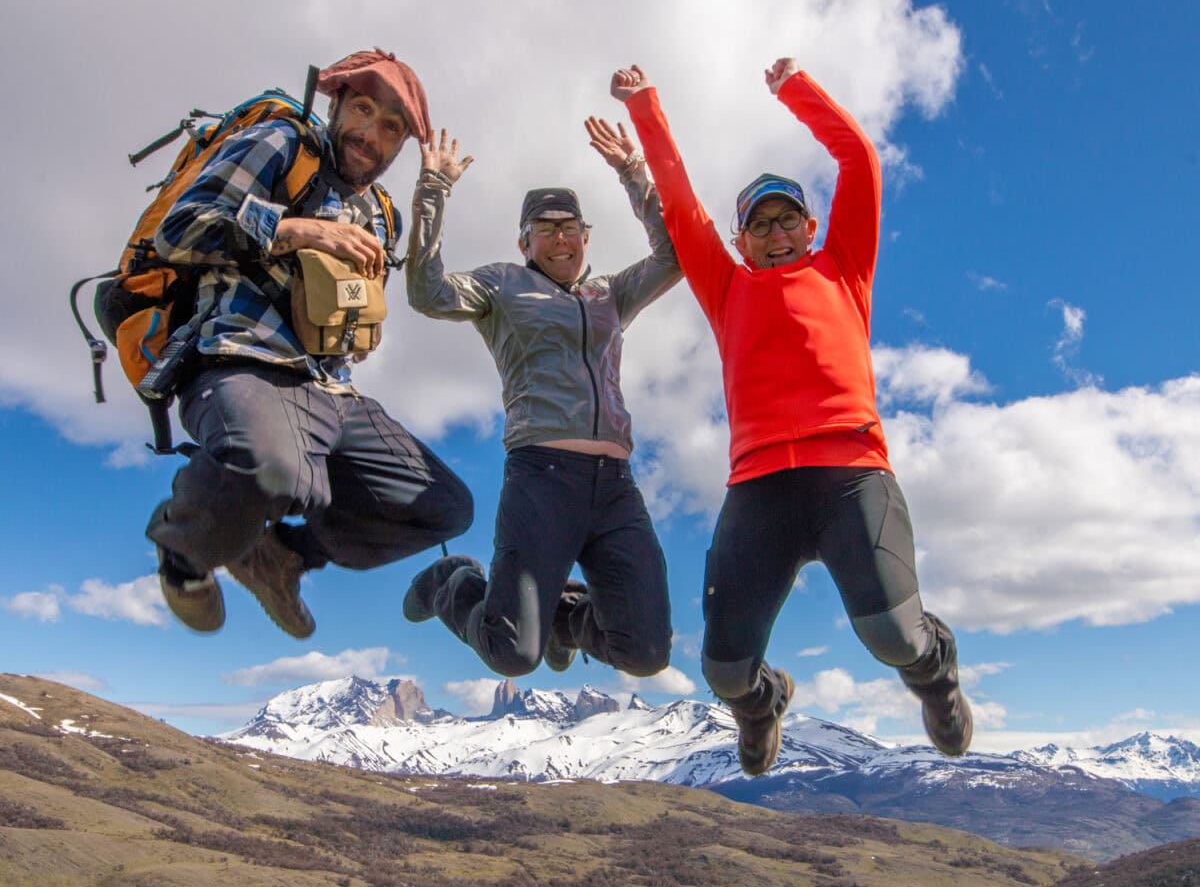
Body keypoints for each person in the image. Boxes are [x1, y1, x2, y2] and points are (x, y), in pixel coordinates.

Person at [611, 59, 973, 775]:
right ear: (742, 239)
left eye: (786, 221)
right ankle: (763, 702)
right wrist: (645, 107)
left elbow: (860, 159)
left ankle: (938, 675)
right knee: (722, 669)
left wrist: (794, 91)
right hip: (760, 488)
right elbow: (681, 205)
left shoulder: (843, 268)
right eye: (758, 224)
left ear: (810, 226)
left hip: (852, 476)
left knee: (895, 637)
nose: (775, 234)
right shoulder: (727, 289)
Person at [147, 49, 473, 639]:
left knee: (445, 507)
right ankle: (185, 554)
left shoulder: (381, 213)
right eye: (364, 109)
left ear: (401, 145)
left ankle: (283, 555)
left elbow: (349, 297)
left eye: (391, 127)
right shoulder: (280, 145)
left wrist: (358, 332)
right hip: (241, 358)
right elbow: (180, 229)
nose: (371, 133)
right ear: (336, 104)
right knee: (275, 468)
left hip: (332, 390)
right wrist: (296, 229)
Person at [402, 120, 681, 679]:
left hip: (615, 486)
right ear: (524, 241)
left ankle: (566, 618)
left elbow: (676, 254)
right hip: (542, 478)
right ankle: (452, 582)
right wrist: (434, 189)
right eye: (545, 229)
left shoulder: (610, 294)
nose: (560, 238)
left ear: (585, 236)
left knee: (647, 653)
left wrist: (633, 173)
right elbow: (427, 292)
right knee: (512, 655)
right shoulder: (502, 286)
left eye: (571, 227)